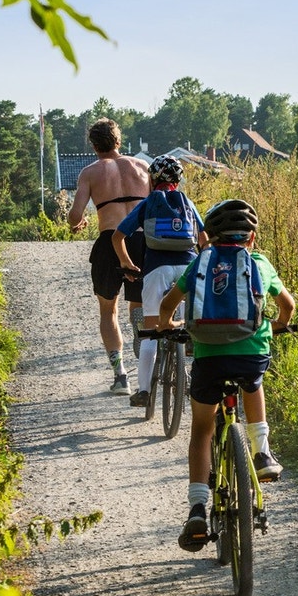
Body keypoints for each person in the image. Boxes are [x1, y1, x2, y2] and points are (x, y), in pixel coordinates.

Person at [156, 199, 294, 552]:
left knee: (202, 429)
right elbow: (287, 306)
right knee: (254, 382)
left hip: (210, 359)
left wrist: (168, 327)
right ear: (251, 239)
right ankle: (262, 453)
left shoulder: (201, 262)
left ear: (210, 238)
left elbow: (168, 306)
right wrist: (277, 326)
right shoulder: (260, 263)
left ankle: (198, 509)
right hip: (251, 355)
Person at [110, 155, 205, 407]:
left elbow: (117, 236)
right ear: (178, 180)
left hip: (156, 270)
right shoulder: (188, 203)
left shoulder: (148, 203)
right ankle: (195, 376)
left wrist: (127, 263)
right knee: (190, 326)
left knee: (151, 331)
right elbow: (204, 239)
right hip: (188, 269)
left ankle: (143, 391)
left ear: (152, 179)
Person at [67, 119, 150, 394]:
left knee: (108, 309)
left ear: (93, 145)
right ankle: (140, 328)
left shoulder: (90, 173)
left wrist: (78, 223)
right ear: (118, 140)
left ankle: (120, 376)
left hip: (109, 241)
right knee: (138, 303)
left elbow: (75, 216)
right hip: (141, 240)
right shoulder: (142, 167)